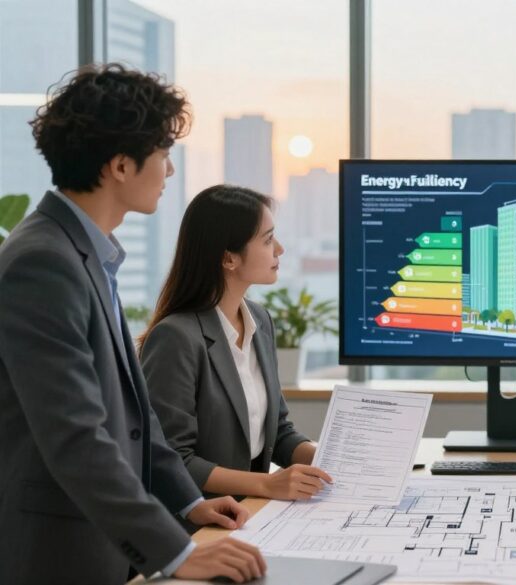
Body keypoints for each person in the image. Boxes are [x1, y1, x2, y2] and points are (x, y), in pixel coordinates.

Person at [0, 64, 265, 584]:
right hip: (57, 555)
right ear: (121, 165)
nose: (169, 172)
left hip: (101, 545)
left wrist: (188, 503)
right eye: (163, 156)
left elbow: (135, 419)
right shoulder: (42, 262)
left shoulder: (85, 254)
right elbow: (76, 436)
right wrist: (179, 553)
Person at [140, 184, 332, 501]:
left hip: (253, 512)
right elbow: (172, 459)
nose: (280, 249)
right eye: (268, 240)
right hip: (198, 520)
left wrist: (329, 458)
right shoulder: (176, 337)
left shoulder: (260, 320)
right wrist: (266, 485)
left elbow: (277, 433)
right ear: (229, 258)